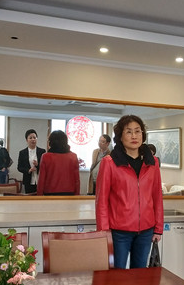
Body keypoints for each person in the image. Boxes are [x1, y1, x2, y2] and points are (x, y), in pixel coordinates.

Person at [95, 115, 164, 269]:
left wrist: (158, 228)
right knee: (117, 275)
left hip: (146, 230)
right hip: (119, 231)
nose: (134, 136)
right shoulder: (109, 162)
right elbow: (102, 200)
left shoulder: (152, 162)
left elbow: (157, 196)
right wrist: (103, 231)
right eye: (129, 132)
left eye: (137, 131)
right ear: (120, 136)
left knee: (140, 275)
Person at [37, 130, 80, 196]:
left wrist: (39, 195)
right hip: (69, 193)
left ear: (50, 142)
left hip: (50, 194)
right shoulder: (73, 157)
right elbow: (77, 180)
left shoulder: (45, 157)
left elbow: (41, 179)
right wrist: (77, 195)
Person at [17, 129, 46, 194]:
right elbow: (19, 167)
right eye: (30, 138)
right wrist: (28, 170)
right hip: (28, 181)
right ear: (26, 140)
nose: (33, 139)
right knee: (29, 198)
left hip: (40, 180)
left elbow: (45, 166)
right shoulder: (22, 152)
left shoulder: (42, 151)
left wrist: (38, 165)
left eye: (34, 137)